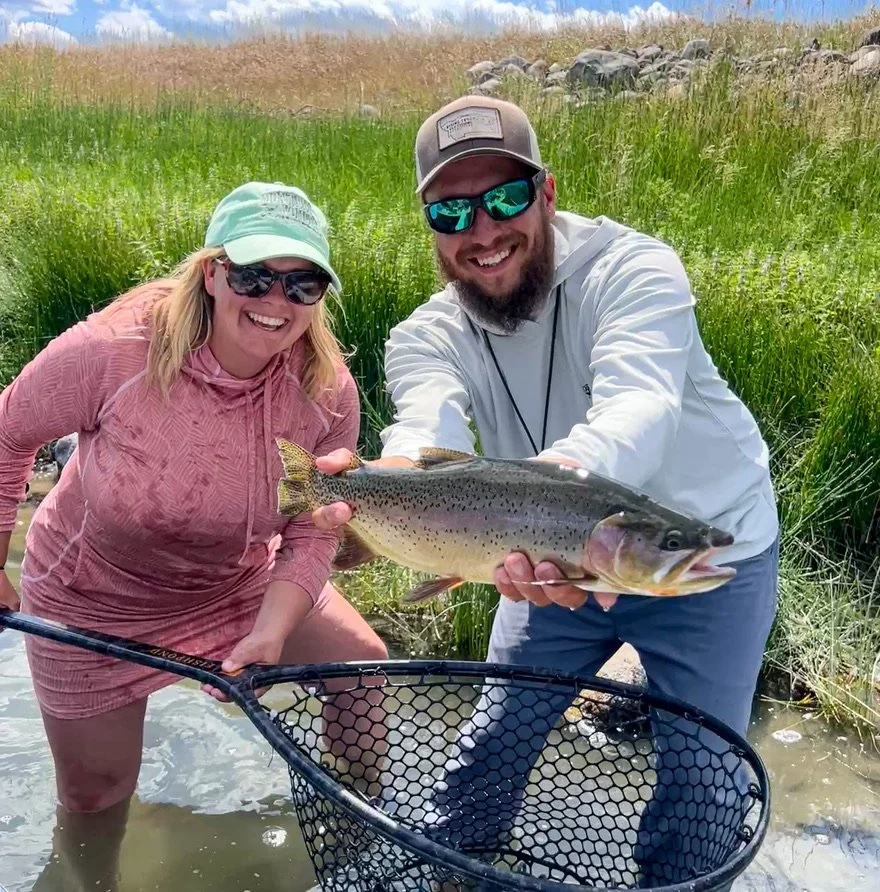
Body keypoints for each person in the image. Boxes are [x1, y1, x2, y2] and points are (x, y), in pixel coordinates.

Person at [312, 97, 779, 888]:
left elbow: (641, 406)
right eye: (452, 210)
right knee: (494, 741)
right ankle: (451, 873)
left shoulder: (633, 270)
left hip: (698, 548)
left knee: (702, 776)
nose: (483, 231)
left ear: (547, 193)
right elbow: (422, 431)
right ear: (430, 223)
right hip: (537, 557)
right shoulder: (422, 334)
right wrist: (377, 491)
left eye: (503, 198)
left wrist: (564, 507)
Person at [0, 181, 387, 890]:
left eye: (301, 283)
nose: (275, 301)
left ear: (320, 295)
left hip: (233, 584)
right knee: (93, 799)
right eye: (253, 276)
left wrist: (273, 629)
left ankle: (353, 831)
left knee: (362, 667)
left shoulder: (327, 391)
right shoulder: (113, 351)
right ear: (212, 273)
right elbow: (8, 432)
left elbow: (310, 532)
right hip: (92, 601)